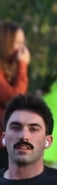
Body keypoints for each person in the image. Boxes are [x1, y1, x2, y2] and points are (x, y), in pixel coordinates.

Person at [0, 21, 29, 166]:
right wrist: (23, 65)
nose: (21, 48)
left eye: (23, 43)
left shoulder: (10, 69)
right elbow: (14, 98)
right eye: (17, 43)